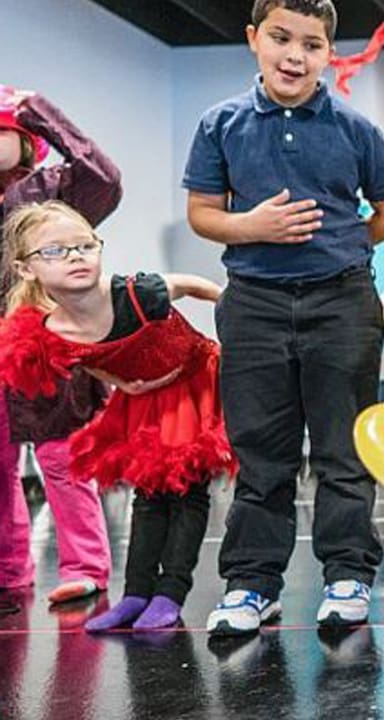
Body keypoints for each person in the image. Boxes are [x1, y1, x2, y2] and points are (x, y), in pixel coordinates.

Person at [182, 0, 384, 635]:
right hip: (252, 302)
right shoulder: (220, 124)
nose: (295, 55)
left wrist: (342, 243)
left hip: (342, 303)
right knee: (261, 453)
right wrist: (251, 227)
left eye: (312, 45)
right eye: (281, 38)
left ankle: (348, 575)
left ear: (329, 55)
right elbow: (202, 212)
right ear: (255, 39)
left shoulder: (356, 128)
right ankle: (252, 585)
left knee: (343, 449)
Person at [0, 201, 234, 631]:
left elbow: (195, 285)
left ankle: (171, 592)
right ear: (25, 268)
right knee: (147, 496)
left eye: (84, 246)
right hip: (144, 397)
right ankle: (136, 593)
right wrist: (120, 381)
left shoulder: (138, 292)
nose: (75, 257)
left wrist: (238, 320)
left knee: (185, 492)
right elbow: (85, 357)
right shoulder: (53, 330)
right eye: (55, 251)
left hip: (192, 385)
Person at [0, 87, 120, 606]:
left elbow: (105, 179)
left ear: (25, 140)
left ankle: (85, 566)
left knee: (62, 456)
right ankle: (8, 571)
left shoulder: (53, 189)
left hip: (47, 341)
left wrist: (41, 112)